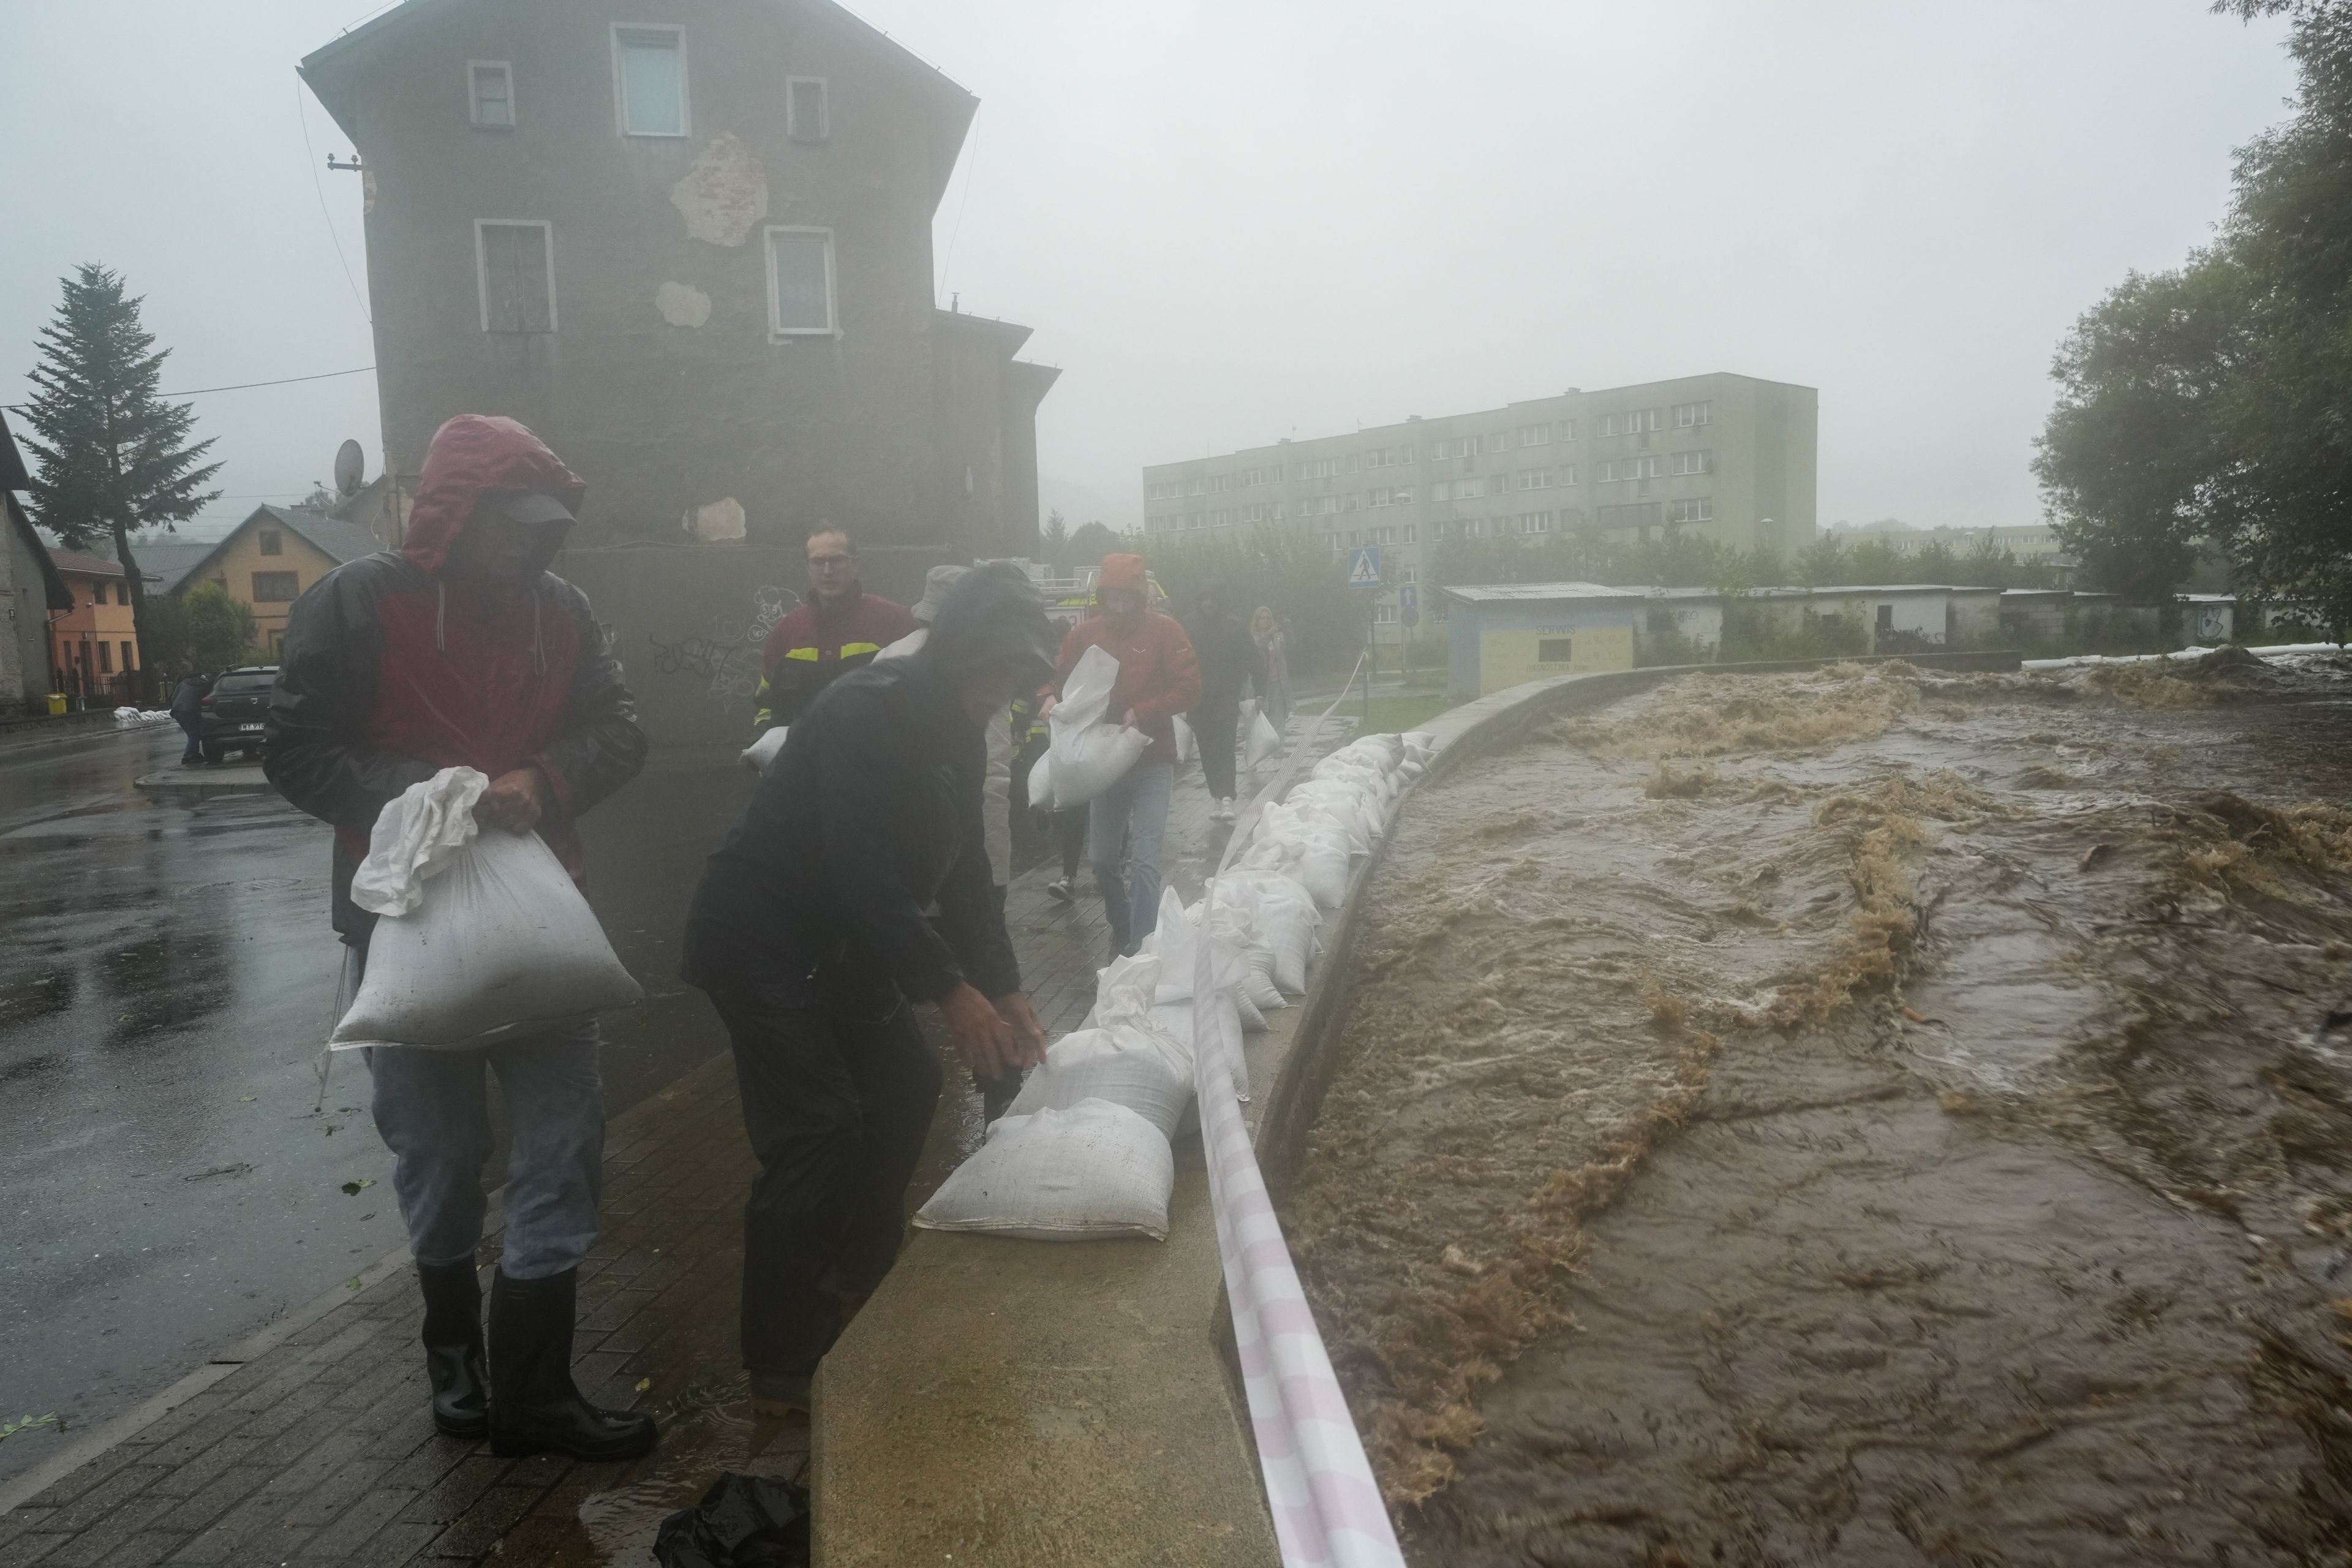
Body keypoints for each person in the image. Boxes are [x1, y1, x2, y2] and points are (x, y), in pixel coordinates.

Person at [266, 414, 655, 1462]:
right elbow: (297, 748)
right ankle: (455, 1353)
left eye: (545, 525)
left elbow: (620, 728)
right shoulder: (357, 602)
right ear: (455, 513)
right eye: (509, 523)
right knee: (438, 1151)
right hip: (406, 927)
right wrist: (424, 795)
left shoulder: (563, 610)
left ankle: (534, 1388)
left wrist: (547, 778)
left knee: (566, 1139)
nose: (530, 542)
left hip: (540, 919)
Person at [680, 566, 1057, 1415]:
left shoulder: (959, 730)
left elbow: (964, 875)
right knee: (816, 1126)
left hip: (839, 945)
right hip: (759, 941)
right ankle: (781, 1362)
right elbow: (862, 872)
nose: (1003, 694)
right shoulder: (863, 710)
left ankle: (858, 1279)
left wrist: (1006, 986)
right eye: (996, 673)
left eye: (1016, 680)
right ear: (960, 653)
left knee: (905, 1084)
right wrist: (952, 992)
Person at [1050, 553, 1200, 956]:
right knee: (1101, 858)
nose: (1118, 607)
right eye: (1111, 599)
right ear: (1102, 596)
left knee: (1145, 861)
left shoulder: (1165, 631)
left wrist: (1145, 710)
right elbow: (1057, 674)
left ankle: (1142, 945)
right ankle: (1121, 924)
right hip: (1105, 763)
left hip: (1153, 759)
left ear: (1140, 597)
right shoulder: (1085, 634)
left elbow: (1190, 687)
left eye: (1126, 599)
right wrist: (1047, 696)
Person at [748, 527, 918, 737]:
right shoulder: (787, 632)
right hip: (806, 763)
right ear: (808, 568)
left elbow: (918, 698)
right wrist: (764, 739)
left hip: (874, 762)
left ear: (855, 565)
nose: (827, 571)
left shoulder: (894, 622)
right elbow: (766, 705)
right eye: (818, 562)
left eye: (837, 560)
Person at [1182, 586, 1269, 824]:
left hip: (1227, 697)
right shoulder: (1188, 626)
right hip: (1197, 699)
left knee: (1224, 744)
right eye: (1205, 599)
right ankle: (1217, 798)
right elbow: (1177, 660)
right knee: (1207, 748)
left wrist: (1261, 691)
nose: (1209, 604)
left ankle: (1228, 796)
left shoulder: (1235, 626)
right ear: (1199, 601)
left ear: (1220, 601)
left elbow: (1254, 659)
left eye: (1213, 599)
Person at [1251, 605, 1292, 733]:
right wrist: (1269, 635)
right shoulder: (1252, 637)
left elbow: (1288, 648)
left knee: (1279, 720)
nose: (1266, 621)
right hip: (1260, 687)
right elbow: (1256, 648)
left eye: (1268, 618)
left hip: (1277, 683)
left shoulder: (1277, 636)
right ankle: (1261, 752)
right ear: (1256, 621)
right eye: (1262, 618)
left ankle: (1279, 752)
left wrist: (1287, 630)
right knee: (1261, 721)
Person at [168, 668, 208, 766]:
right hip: (190, 710)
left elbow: (172, 697)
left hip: (178, 710)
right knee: (195, 734)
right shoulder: (202, 684)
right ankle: (188, 757)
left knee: (194, 733)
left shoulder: (182, 683)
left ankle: (195, 754)